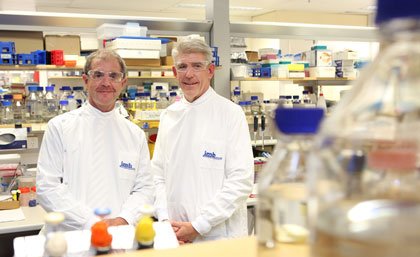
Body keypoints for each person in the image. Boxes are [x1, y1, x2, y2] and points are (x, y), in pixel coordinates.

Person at [37, 49, 154, 231]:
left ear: (122, 83)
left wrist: (124, 219)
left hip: (118, 236)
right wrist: (90, 222)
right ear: (86, 80)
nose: (106, 83)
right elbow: (47, 188)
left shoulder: (135, 134)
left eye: (113, 76)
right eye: (98, 75)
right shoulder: (59, 127)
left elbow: (145, 188)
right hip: (71, 239)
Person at [152, 38, 254, 243]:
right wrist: (165, 221)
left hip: (218, 237)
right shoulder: (168, 116)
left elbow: (240, 181)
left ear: (210, 70)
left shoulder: (230, 114)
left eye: (197, 66)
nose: (189, 74)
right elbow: (157, 176)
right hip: (176, 235)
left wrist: (199, 226)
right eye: (182, 67)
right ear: (174, 72)